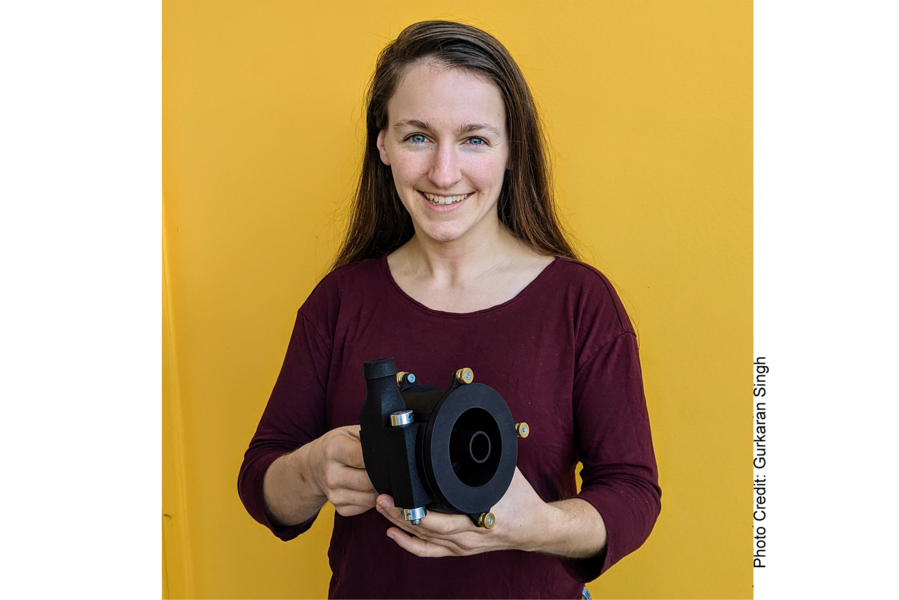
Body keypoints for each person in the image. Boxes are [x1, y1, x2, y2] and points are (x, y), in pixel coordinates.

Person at [238, 20, 660, 599]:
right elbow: (261, 483)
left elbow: (633, 492)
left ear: (513, 151)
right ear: (382, 144)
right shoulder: (338, 303)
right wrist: (312, 471)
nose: (443, 172)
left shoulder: (580, 303)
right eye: (417, 136)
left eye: (474, 139)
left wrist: (538, 527)